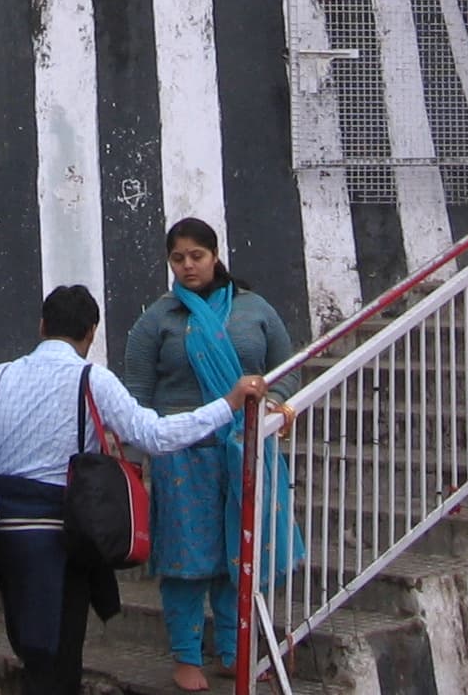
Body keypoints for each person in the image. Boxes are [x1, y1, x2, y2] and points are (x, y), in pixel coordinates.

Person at [0, 284, 267, 695]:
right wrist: (228, 404)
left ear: (42, 326)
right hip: (59, 537)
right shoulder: (92, 379)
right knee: (59, 660)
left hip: (3, 536)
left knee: (32, 650)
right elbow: (154, 435)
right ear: (91, 332)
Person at [124, 217, 296, 692]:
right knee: (185, 557)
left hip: (244, 450)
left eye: (196, 256)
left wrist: (277, 404)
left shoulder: (254, 309)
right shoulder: (158, 319)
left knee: (237, 552)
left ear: (215, 256)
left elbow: (287, 368)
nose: (187, 266)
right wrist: (136, 456)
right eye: (177, 258)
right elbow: (136, 393)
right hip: (181, 454)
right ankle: (186, 655)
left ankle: (233, 650)